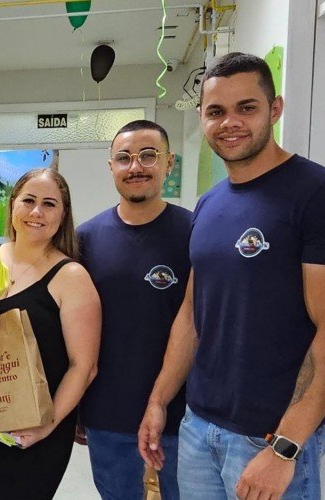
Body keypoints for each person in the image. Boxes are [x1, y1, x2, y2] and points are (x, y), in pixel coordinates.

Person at [138, 52, 325, 499]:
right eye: (216, 112)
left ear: (274, 109)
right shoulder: (208, 204)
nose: (230, 123)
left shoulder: (313, 193)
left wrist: (285, 447)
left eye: (247, 108)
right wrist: (159, 400)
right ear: (202, 119)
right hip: (199, 429)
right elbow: (192, 312)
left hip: (268, 438)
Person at [0, 168, 101, 499]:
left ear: (63, 216)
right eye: (28, 200)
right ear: (12, 205)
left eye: (49, 204)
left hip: (34, 427)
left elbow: (84, 366)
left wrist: (46, 426)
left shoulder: (71, 277)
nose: (36, 212)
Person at [77, 120, 191, 500]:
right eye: (124, 158)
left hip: (183, 413)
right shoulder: (86, 239)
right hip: (108, 411)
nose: (136, 166)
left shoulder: (194, 232)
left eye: (148, 155)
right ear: (111, 166)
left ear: (169, 163)